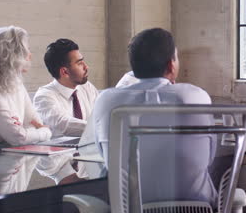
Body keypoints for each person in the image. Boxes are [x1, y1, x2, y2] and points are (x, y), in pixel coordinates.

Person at [91, 28, 218, 207]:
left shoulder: (106, 100)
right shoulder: (195, 96)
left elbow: (106, 156)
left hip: (131, 209)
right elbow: (209, 157)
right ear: (171, 65)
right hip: (197, 208)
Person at [33, 39, 98, 137]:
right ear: (64, 72)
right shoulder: (43, 97)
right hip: (61, 151)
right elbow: (65, 124)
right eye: (79, 63)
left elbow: (102, 115)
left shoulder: (86, 87)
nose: (86, 67)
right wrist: (102, 128)